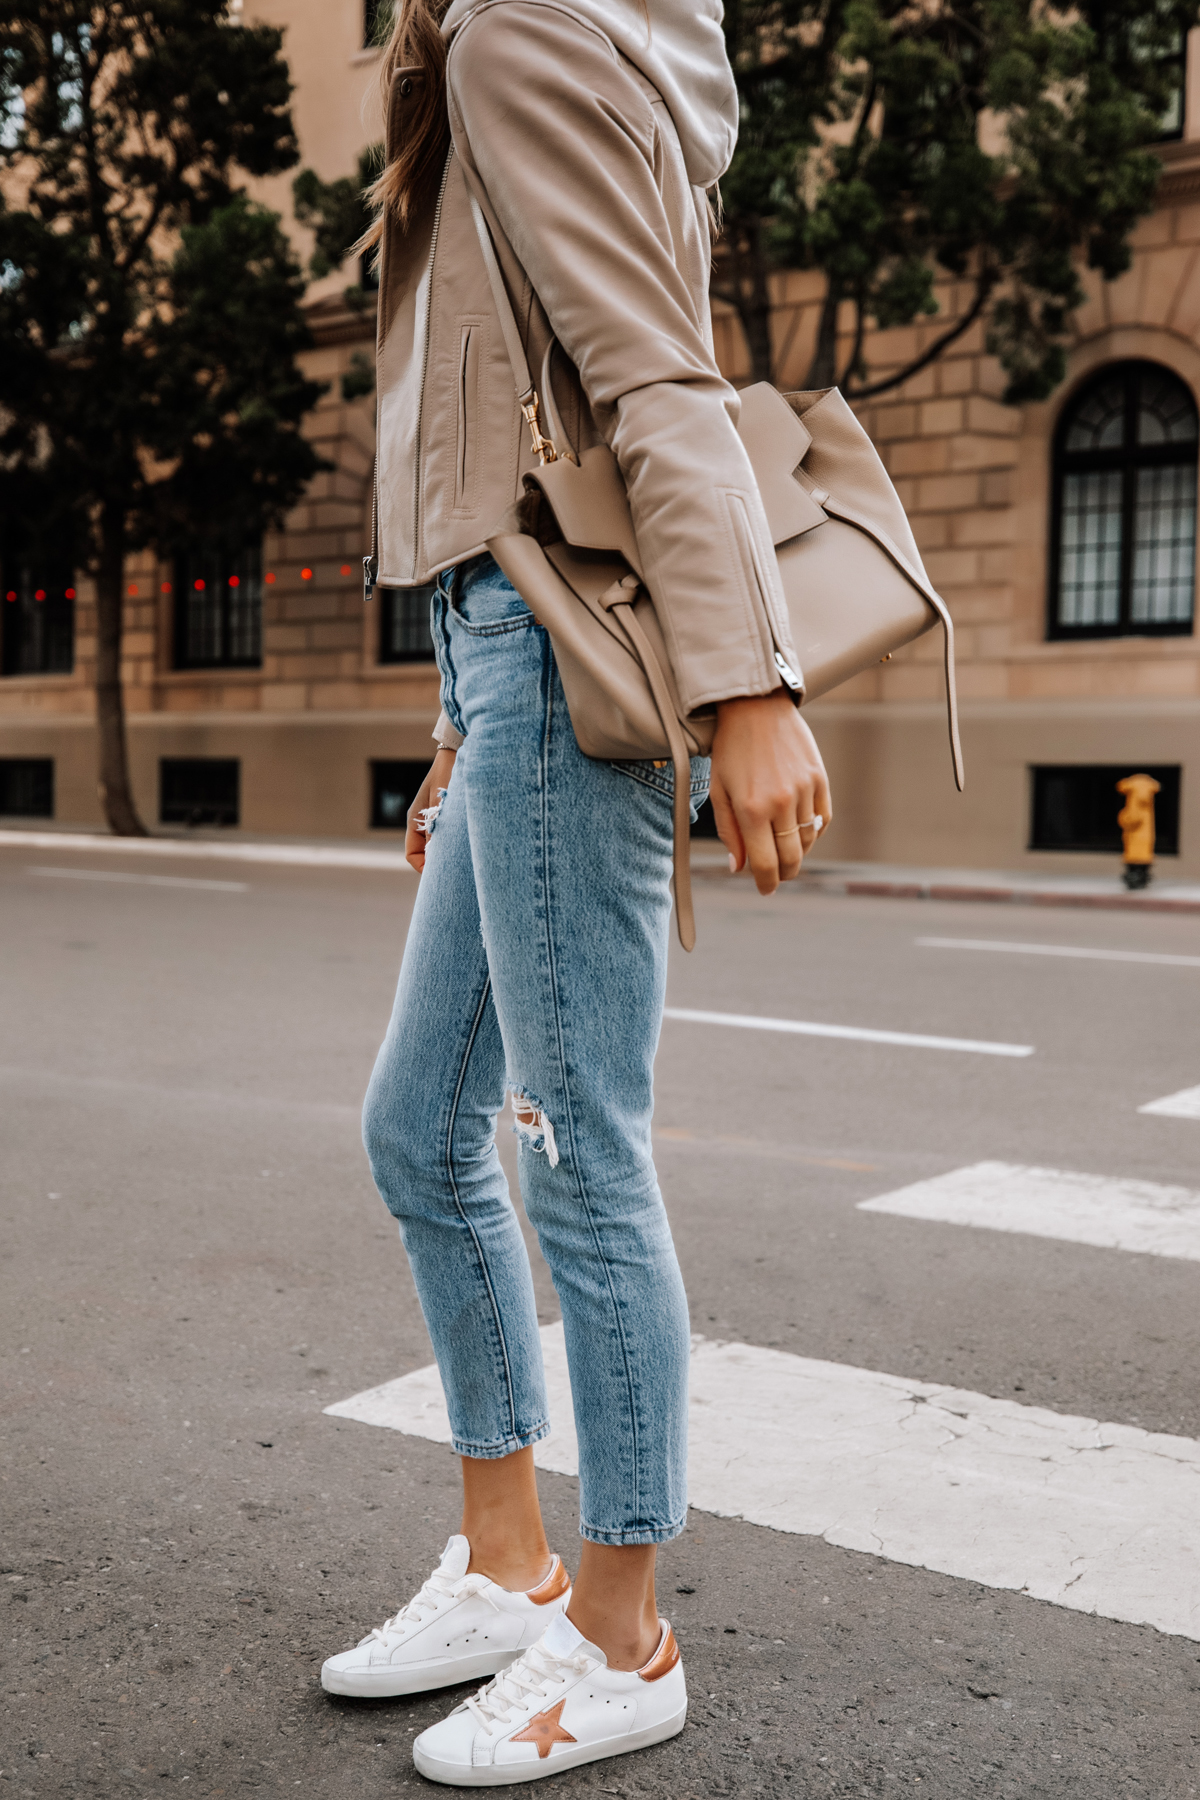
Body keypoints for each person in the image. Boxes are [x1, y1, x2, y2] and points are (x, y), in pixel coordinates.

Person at [320, 0, 832, 1782]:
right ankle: (509, 1559)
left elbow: (651, 374)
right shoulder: (495, 39)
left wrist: (747, 684)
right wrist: (456, 716)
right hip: (498, 658)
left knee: (576, 1147)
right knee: (420, 1130)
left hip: (561, 660)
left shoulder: (522, 32)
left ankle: (622, 1635)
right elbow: (490, 411)